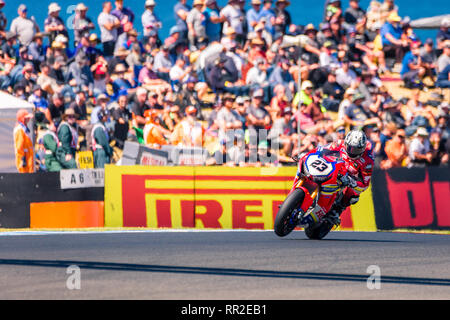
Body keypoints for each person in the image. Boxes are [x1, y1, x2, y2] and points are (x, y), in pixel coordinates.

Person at [13, 109, 34, 173]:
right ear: (23, 119)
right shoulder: (20, 129)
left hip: (28, 159)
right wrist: (22, 159)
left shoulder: (24, 129)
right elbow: (19, 146)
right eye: (27, 118)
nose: (29, 119)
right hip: (24, 160)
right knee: (25, 179)